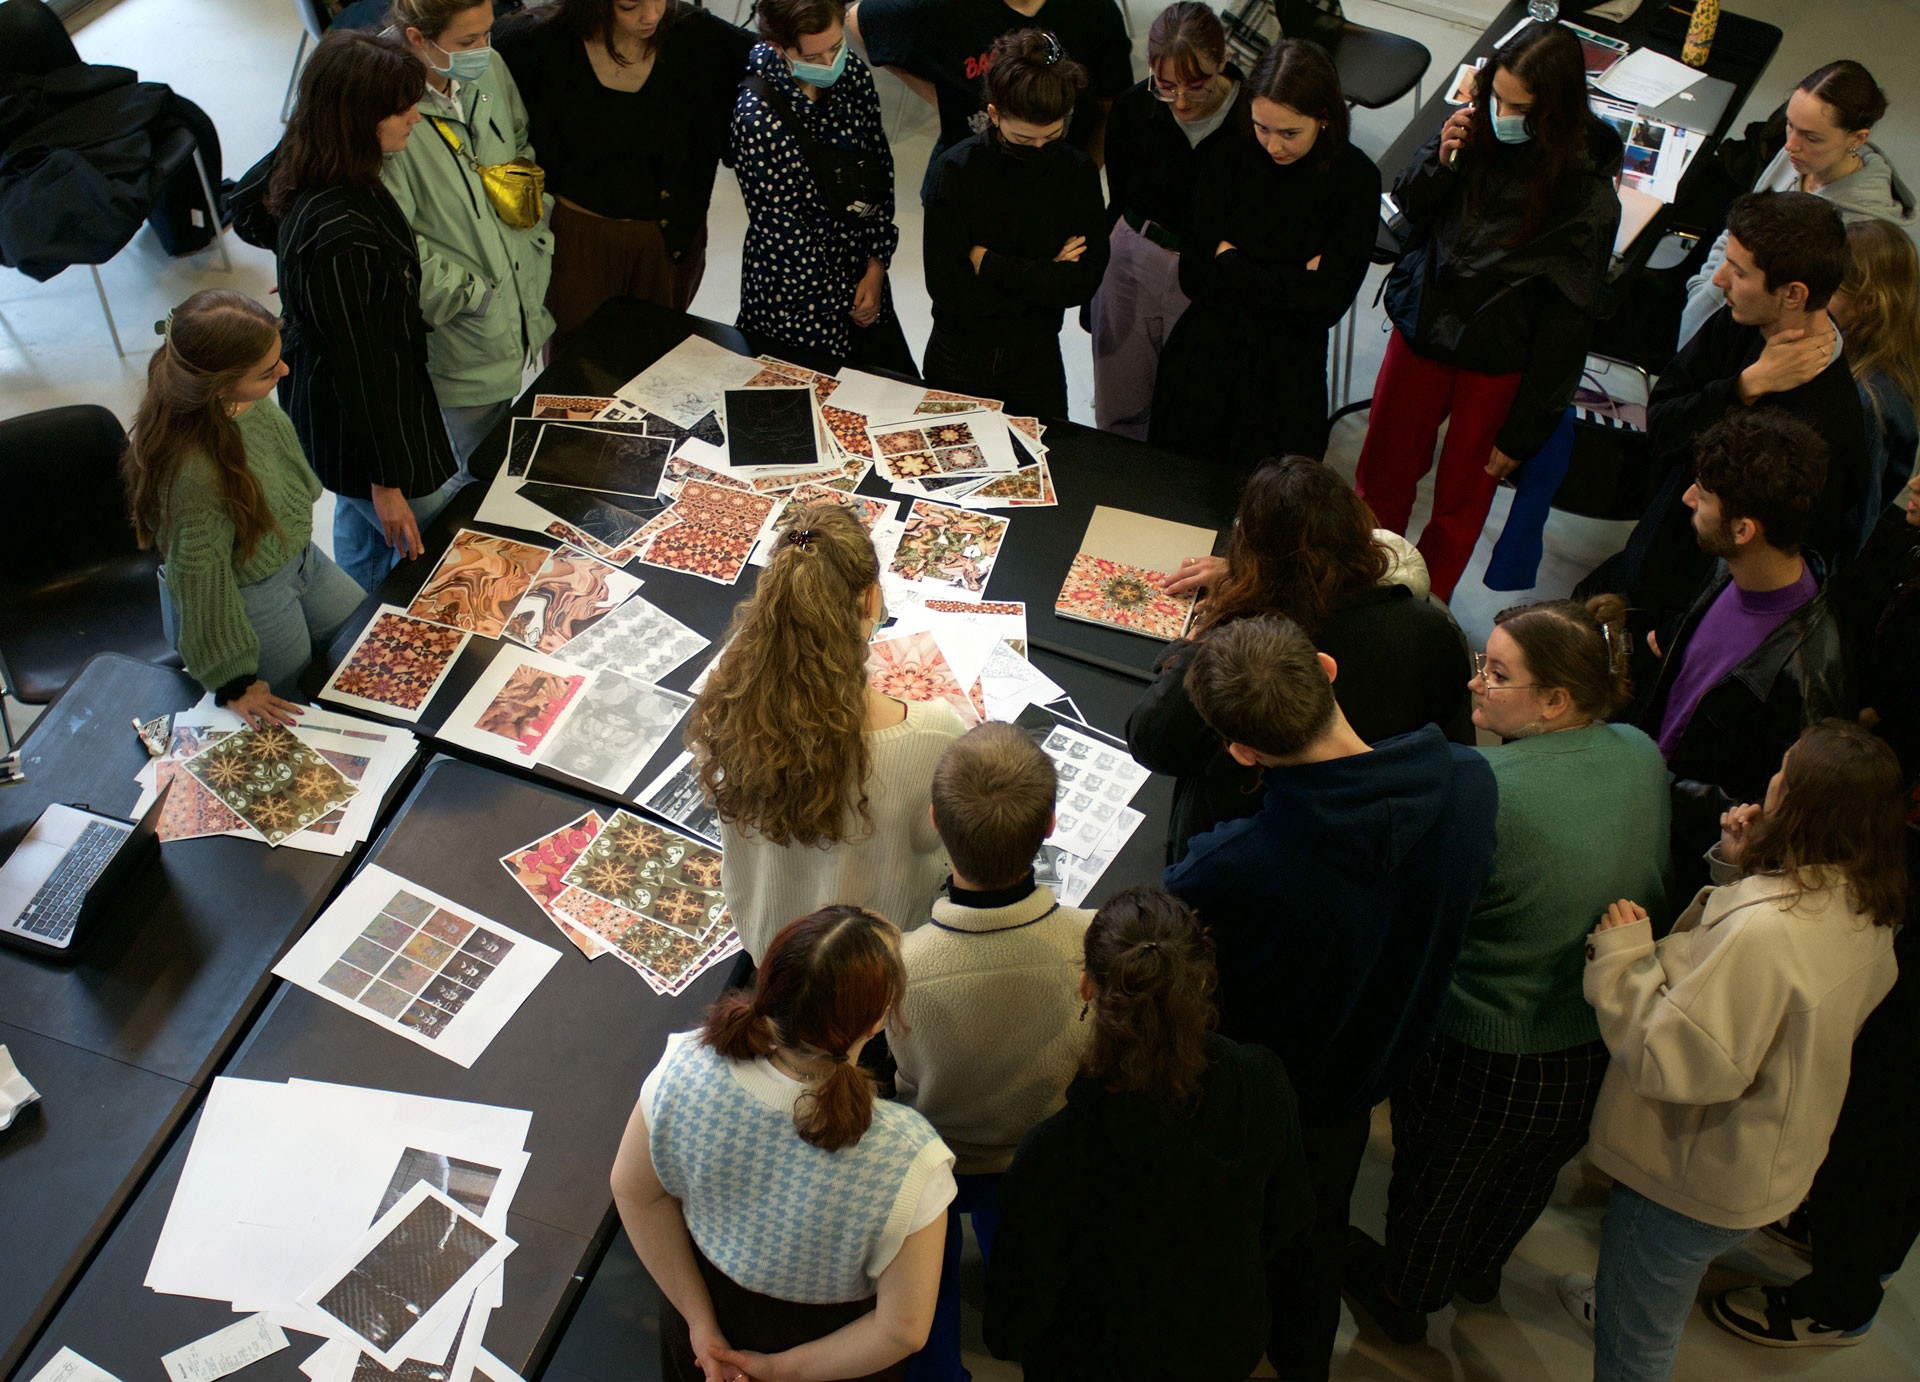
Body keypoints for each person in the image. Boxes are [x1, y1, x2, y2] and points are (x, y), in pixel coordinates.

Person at [1163, 614, 1498, 1381]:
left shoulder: (1229, 869)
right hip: (1375, 1065)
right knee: (1314, 1237)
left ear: (1241, 750)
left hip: (1267, 1091)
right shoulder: (1471, 786)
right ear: (1326, 667)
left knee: (1243, 1246)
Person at [1341, 596, 1671, 1343]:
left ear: (1556, 700)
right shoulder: (1640, 752)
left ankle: (1405, 1297)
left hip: (1487, 1042)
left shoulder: (1486, 788)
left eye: (1495, 673)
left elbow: (1426, 913)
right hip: (1595, 1033)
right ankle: (1481, 1269)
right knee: (1524, 1176)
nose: (1473, 685)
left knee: (1435, 1181)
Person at [1569, 719, 1905, 1381]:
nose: (1771, 779)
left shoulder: (1767, 931)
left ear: (1804, 804)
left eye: (1785, 771)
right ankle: (1627, 1294)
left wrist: (1622, 959)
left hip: (1686, 1175)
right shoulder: (1868, 903)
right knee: (1652, 1290)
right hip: (1765, 1158)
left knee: (1636, 1346)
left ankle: (1624, 1302)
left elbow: (1680, 1061)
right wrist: (1743, 865)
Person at [1710, 474, 1920, 1349]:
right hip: (1889, 831)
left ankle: (1844, 1287)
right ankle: (1821, 1209)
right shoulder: (1904, 545)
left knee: (1895, 1094)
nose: (1908, 488)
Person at [983, 886, 1312, 1381]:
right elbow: (1291, 1220)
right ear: (1203, 983)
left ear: (1087, 987)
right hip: (1222, 1344)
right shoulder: (1263, 1080)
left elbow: (1010, 1326)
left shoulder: (1055, 1151)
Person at [613, 906, 954, 1382]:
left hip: (706, 1315)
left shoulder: (682, 1070)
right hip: (833, 1354)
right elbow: (903, 1332)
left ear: (770, 988)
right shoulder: (910, 1156)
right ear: (876, 1023)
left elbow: (634, 1192)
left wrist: (701, 1325)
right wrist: (777, 1371)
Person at [1351, 22, 1622, 601]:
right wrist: (1441, 158)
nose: (1501, 112)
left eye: (1518, 106)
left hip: (1499, 359)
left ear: (1555, 108)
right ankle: (1360, 586)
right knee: (1381, 477)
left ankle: (1420, 609)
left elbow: (1569, 322)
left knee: (1462, 502)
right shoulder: (1471, 132)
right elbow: (1408, 213)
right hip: (1425, 327)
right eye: (1495, 96)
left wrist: (1527, 427)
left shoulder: (1586, 194)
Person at [1127, 456, 1473, 864]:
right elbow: (1454, 749)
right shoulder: (1434, 630)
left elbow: (1150, 741)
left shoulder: (1241, 658)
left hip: (1248, 852)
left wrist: (1196, 642)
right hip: (1387, 843)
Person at [886, 722, 1092, 1382]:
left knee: (925, 1309)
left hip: (933, 1166)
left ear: (934, 823)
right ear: (1053, 824)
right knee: (1032, 1278)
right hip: (1038, 1157)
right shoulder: (1093, 945)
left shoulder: (901, 968)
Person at [685, 506, 967, 965]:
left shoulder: (726, 702)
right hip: (875, 966)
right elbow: (940, 843)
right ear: (872, 600)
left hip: (772, 949)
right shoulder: (932, 732)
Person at [1599, 191, 1874, 631]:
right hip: (1647, 568)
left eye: (1739, 271)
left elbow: (1777, 566)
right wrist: (1745, 386)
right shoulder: (1739, 321)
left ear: (1793, 294)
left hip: (1691, 617)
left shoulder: (1830, 421)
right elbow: (1662, 426)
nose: (1720, 279)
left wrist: (1681, 631)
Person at [267, 29, 463, 594]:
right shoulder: (342, 236)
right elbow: (363, 370)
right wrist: (387, 483)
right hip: (367, 430)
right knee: (435, 541)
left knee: (358, 529)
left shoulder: (324, 169)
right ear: (358, 118)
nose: (415, 120)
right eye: (400, 111)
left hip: (344, 419)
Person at [121, 290, 365, 730]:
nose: (285, 371)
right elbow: (198, 581)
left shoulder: (242, 402)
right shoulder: (195, 472)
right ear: (220, 383)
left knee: (371, 642)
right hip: (254, 591)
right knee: (292, 711)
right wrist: (234, 680)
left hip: (301, 560)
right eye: (269, 371)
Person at [1634, 410, 1849, 902]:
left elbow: (1769, 813)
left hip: (1681, 865)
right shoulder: (1729, 572)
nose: (1688, 497)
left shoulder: (1808, 671)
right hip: (1645, 806)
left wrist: (1656, 783)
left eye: (1703, 496)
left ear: (1743, 530)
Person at [1149, 38, 1380, 462]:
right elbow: (1195, 276)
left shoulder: (1356, 180)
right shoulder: (1226, 153)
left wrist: (1231, 259)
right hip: (1206, 364)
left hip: (1287, 378)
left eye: (1290, 133)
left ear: (1325, 118)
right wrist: (1295, 277)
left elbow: (1326, 305)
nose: (1273, 146)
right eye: (1261, 127)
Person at [496, 0, 754, 348]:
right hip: (578, 238)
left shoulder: (697, 34)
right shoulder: (538, 40)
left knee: (658, 360)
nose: (650, 16)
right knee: (578, 365)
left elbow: (773, 54)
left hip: (667, 239)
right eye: (629, 6)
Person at [385, 0, 556, 464]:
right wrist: (471, 295)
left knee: (500, 453)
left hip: (514, 302)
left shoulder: (490, 67)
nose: (484, 50)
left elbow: (519, 141)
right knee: (472, 473)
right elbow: (390, 243)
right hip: (460, 334)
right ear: (418, 38)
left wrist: (535, 215)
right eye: (467, 41)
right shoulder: (382, 106)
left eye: (487, 34)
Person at [919, 29, 1109, 418]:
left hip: (1036, 358)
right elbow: (948, 288)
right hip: (959, 356)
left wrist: (987, 262)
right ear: (993, 115)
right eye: (1023, 141)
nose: (1040, 151)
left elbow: (1082, 282)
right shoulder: (955, 171)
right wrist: (1046, 272)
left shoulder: (1077, 173)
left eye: (1052, 138)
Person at [730, 0, 914, 371]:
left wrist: (876, 266)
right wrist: (847, 297)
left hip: (863, 276)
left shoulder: (853, 77)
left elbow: (879, 173)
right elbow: (782, 230)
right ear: (780, 48)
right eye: (813, 56)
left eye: (836, 47)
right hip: (796, 299)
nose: (830, 63)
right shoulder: (756, 116)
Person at [1680, 60, 1916, 347]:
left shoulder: (1863, 230)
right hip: (1708, 323)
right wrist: (1702, 293)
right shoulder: (1798, 158)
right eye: (1791, 125)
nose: (1791, 144)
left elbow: (1819, 326)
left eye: (1811, 136)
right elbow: (1735, 233)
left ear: (1857, 139)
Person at [1089, 2, 1242, 439]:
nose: (1181, 101)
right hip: (1133, 255)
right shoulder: (1133, 109)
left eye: (1197, 85)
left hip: (1208, 271)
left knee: (1193, 410)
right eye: (1166, 85)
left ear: (1223, 60)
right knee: (1119, 404)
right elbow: (1118, 198)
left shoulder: (1251, 121)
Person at [848, 0, 1131, 201]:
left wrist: (1085, 174)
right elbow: (859, 18)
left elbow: (1112, 105)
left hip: (1057, 182)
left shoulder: (1094, 10)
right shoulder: (948, 9)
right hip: (972, 184)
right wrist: (933, 93)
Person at [1831, 217, 1920, 512]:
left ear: (1867, 302)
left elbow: (1854, 515)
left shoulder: (1871, 400)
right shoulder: (1847, 357)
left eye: (1831, 286)